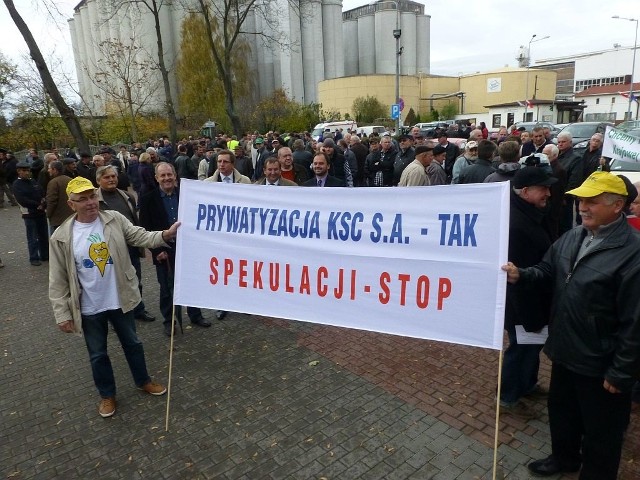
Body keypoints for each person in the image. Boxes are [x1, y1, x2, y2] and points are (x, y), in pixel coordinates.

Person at [502, 171, 640, 479]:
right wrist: (522, 275)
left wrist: (621, 372)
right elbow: (548, 269)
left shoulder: (633, 253)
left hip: (601, 363)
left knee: (602, 432)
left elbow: (636, 324)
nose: (582, 207)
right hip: (565, 351)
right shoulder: (574, 236)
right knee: (562, 414)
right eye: (580, 200)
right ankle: (564, 459)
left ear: (617, 206)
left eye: (592, 201)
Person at [49, 176, 173, 418]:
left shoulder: (114, 219)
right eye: (82, 199)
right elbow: (58, 279)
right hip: (89, 306)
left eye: (92, 196)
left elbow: (139, 236)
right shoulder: (61, 236)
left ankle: (143, 380)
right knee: (98, 353)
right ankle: (107, 395)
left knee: (133, 344)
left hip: (119, 298)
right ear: (71, 203)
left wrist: (165, 235)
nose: (90, 203)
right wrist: (62, 313)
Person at [499, 166, 556, 420]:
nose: (548, 193)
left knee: (531, 346)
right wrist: (527, 313)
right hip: (523, 303)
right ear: (525, 192)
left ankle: (528, 384)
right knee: (520, 347)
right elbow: (515, 274)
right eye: (543, 188)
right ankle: (508, 395)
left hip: (535, 298)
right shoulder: (517, 224)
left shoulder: (531, 212)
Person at [139, 163, 212, 335]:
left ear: (175, 176)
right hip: (164, 251)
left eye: (169, 174)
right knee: (167, 288)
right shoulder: (148, 199)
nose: (166, 178)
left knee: (192, 283)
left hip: (188, 248)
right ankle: (169, 321)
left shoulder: (186, 196)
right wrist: (156, 251)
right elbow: (145, 228)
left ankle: (196, 315)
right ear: (157, 178)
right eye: (162, 176)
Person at [96, 165, 155, 323]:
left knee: (135, 279)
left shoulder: (127, 196)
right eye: (106, 177)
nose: (111, 180)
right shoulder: (95, 200)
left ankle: (138, 309)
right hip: (110, 249)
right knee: (114, 283)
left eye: (113, 176)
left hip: (131, 246)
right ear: (98, 180)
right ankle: (119, 315)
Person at [13, 160, 49, 266]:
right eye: (24, 171)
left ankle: (45, 254)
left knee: (43, 235)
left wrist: (43, 202)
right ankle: (34, 257)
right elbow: (22, 200)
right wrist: (36, 204)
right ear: (19, 171)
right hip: (29, 214)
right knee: (32, 237)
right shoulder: (17, 184)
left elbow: (41, 192)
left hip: (40, 212)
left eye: (28, 170)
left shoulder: (33, 181)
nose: (27, 173)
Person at [45, 160, 74, 234]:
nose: (48, 170)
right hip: (71, 216)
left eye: (49, 168)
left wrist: (48, 214)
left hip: (58, 218)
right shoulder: (70, 180)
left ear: (54, 169)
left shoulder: (53, 182)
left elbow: (52, 201)